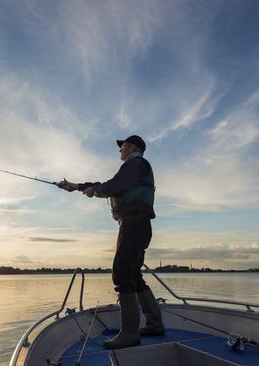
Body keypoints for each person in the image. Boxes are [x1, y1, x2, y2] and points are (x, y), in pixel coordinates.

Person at [58, 135, 165, 350]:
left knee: (122, 274)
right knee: (133, 275)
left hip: (134, 224)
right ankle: (154, 325)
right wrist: (77, 186)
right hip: (137, 224)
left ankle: (130, 334)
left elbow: (112, 186)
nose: (119, 151)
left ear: (132, 146)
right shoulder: (135, 167)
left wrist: (94, 190)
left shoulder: (135, 164)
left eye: (122, 146)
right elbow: (108, 185)